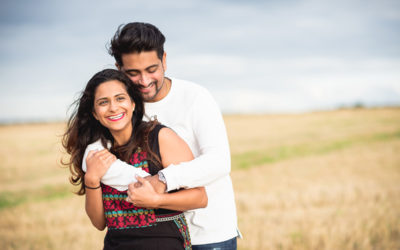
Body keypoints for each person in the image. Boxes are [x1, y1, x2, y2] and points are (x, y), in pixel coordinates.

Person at [89, 22, 240, 249]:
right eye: (133, 73)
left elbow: (219, 162)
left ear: (165, 60)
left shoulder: (195, 98)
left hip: (207, 232)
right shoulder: (122, 110)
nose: (145, 80)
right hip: (155, 237)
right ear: (118, 68)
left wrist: (162, 180)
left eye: (152, 70)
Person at [62, 69, 208, 249]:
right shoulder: (96, 153)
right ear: (94, 112)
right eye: (103, 102)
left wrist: (156, 200)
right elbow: (99, 223)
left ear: (132, 103)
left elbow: (200, 198)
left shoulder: (160, 138)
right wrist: (91, 179)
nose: (113, 107)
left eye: (120, 98)